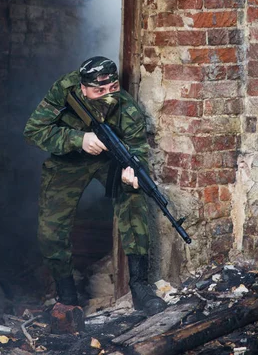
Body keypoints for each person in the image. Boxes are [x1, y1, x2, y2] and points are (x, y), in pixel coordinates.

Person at [24, 56, 167, 316]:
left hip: (109, 160)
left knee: (134, 197)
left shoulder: (129, 110)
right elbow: (34, 131)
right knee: (51, 226)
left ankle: (139, 287)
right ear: (83, 89)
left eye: (112, 89)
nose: (107, 96)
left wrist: (133, 172)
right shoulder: (66, 90)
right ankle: (67, 294)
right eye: (98, 91)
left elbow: (137, 150)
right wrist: (78, 139)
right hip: (69, 159)